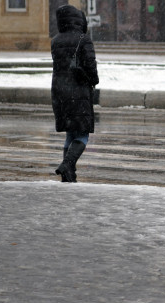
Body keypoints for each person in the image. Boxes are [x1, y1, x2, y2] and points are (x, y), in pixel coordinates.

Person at [51, 5, 99, 182]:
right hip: (78, 90)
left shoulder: (55, 40)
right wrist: (94, 80)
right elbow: (90, 65)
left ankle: (68, 173)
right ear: (79, 20)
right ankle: (67, 164)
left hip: (59, 90)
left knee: (70, 132)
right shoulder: (83, 39)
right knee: (82, 134)